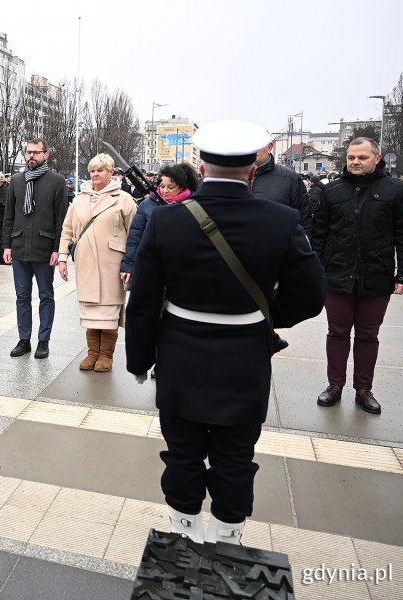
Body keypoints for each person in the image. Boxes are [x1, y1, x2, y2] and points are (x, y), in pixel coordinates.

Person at [125, 120, 326, 545]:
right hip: (245, 357)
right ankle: (228, 539)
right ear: (253, 170)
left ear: (202, 165)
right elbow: (310, 296)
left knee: (182, 452)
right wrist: (263, 315)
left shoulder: (167, 221)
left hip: (180, 354)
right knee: (236, 457)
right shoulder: (282, 220)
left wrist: (139, 360)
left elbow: (143, 301)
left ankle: (185, 534)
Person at [311, 137, 403, 414]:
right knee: (337, 332)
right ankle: (335, 385)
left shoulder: (395, 190)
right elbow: (319, 235)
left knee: (369, 334)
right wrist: (315, 270)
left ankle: (363, 389)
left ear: (376, 158)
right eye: (351, 158)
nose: (355, 162)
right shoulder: (331, 190)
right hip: (336, 274)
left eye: (362, 157)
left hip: (377, 274)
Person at [57, 153, 136, 372]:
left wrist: (131, 264)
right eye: (92, 170)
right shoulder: (79, 199)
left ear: (111, 172)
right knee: (90, 310)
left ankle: (106, 356)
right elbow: (67, 230)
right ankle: (92, 353)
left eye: (100, 170)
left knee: (108, 312)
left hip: (112, 264)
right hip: (86, 264)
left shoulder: (123, 199)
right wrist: (62, 258)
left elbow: (135, 233)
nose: (95, 174)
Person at [3, 140, 69, 359]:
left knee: (45, 296)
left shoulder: (57, 182)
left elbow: (62, 219)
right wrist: (6, 245)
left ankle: (43, 340)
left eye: (35, 152)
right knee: (22, 296)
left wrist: (57, 250)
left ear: (46, 155)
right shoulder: (16, 181)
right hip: (20, 247)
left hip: (44, 248)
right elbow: (9, 216)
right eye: (28, 152)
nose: (31, 156)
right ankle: (24, 340)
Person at [121, 162, 201, 285]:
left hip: (183, 272)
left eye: (170, 187)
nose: (164, 191)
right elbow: (135, 236)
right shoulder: (147, 205)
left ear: (182, 187)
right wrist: (128, 265)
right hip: (151, 268)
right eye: (162, 186)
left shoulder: (194, 205)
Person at [251, 140, 310, 234]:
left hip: (276, 245)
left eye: (257, 144)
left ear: (269, 147)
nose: (252, 149)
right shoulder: (230, 176)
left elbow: (304, 219)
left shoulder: (290, 178)